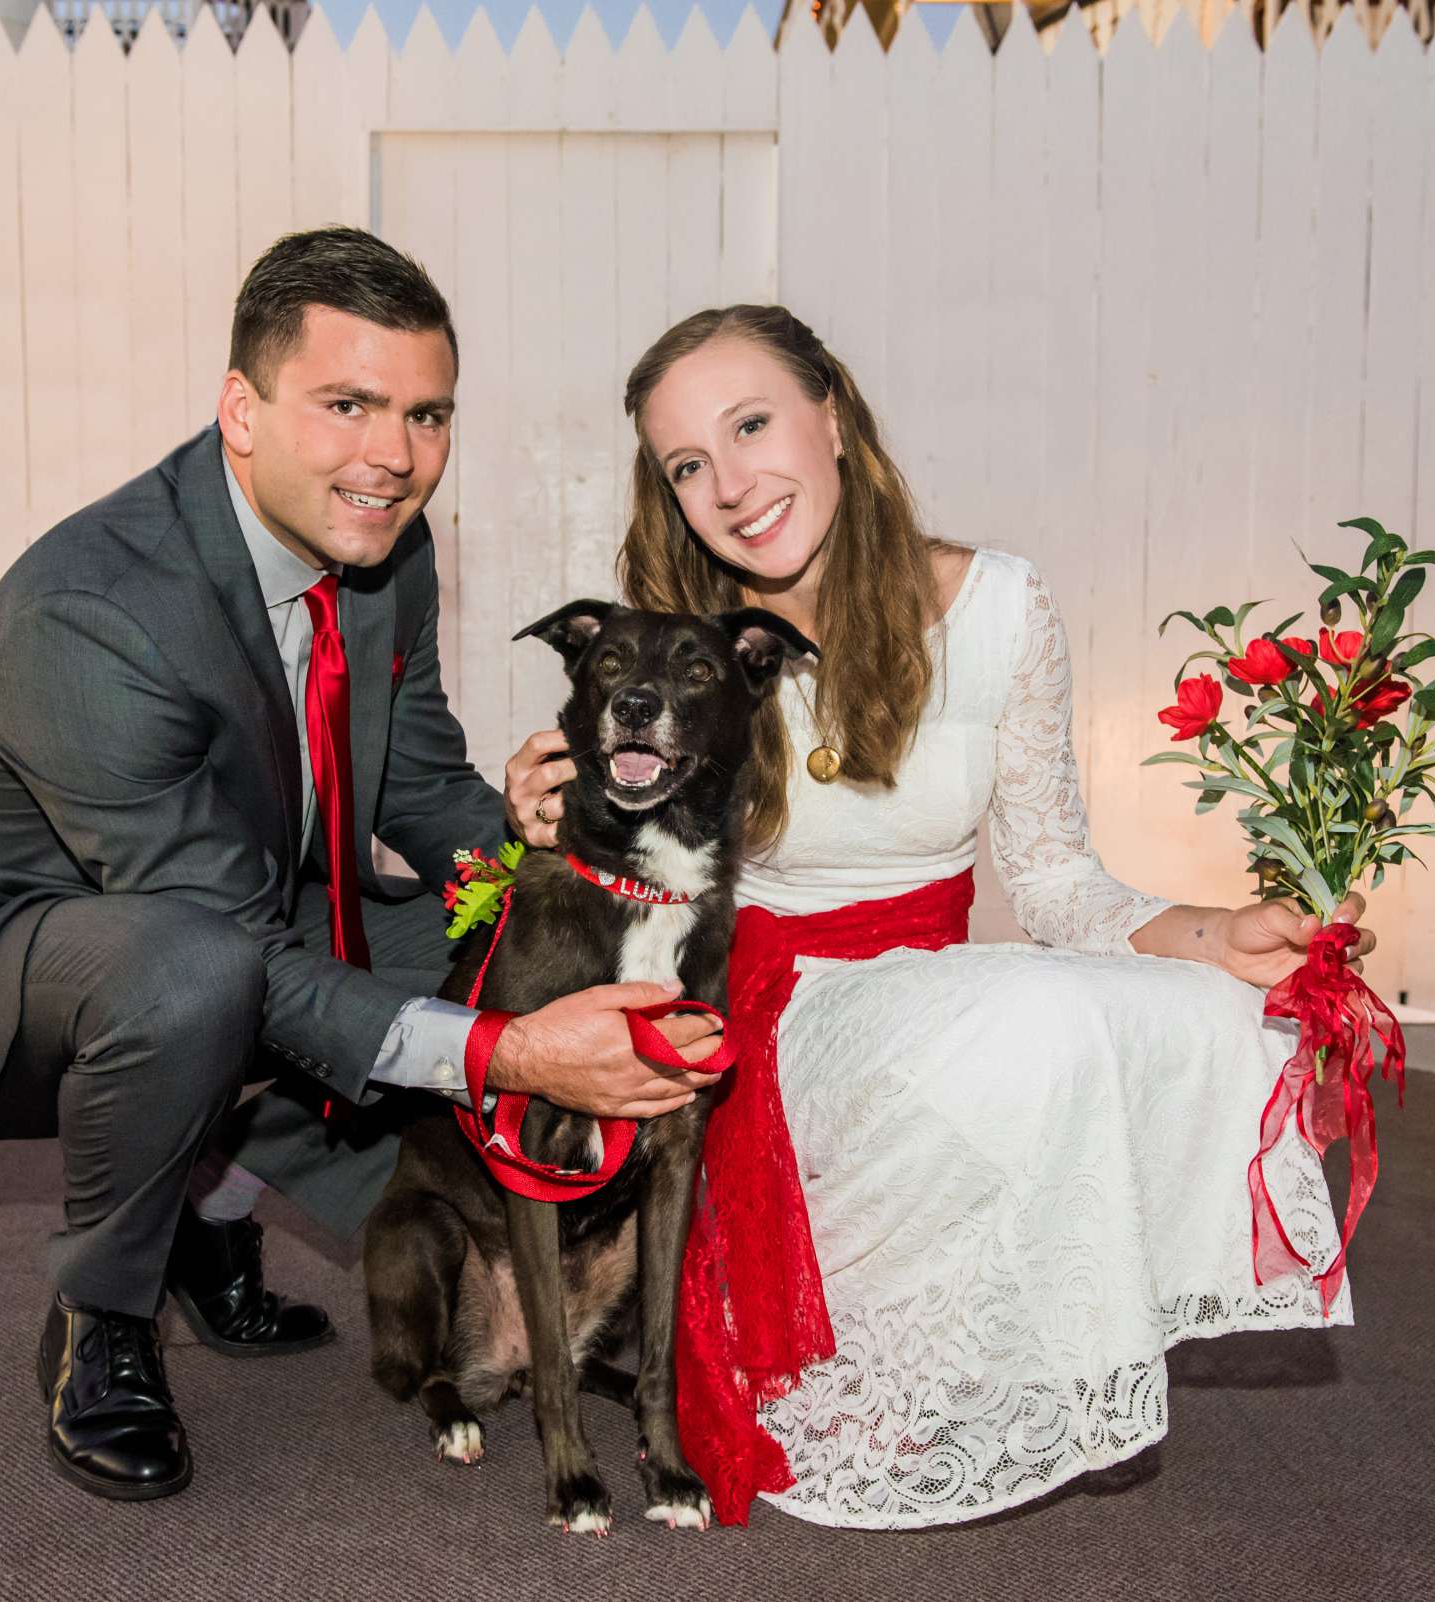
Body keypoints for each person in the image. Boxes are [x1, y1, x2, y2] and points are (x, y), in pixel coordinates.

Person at [0, 228, 721, 1502]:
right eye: (348, 405)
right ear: (241, 409)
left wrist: (558, 866)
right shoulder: (90, 614)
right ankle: (105, 1312)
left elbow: (418, 783)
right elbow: (240, 950)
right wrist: (507, 1052)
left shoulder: (380, 546)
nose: (394, 456)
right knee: (199, 974)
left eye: (426, 414)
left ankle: (209, 1212)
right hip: (31, 958)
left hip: (240, 900)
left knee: (513, 930)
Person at [502, 304, 1372, 1529]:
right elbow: (613, 839)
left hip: (929, 989)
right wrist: (542, 808)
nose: (731, 486)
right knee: (1022, 1016)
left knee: (1208, 1015)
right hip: (765, 1004)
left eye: (752, 426)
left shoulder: (1004, 607)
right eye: (689, 465)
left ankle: (1049, 1356)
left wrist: (1214, 935)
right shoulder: (686, 645)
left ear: (836, 417)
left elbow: (1059, 881)